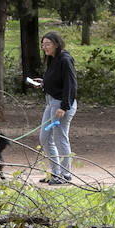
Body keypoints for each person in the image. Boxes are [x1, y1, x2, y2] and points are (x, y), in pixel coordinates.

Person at [34, 30, 77, 185]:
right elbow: (56, 80)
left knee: (60, 138)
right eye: (43, 44)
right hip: (51, 103)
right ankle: (55, 172)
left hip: (62, 105)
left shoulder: (65, 59)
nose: (45, 47)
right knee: (44, 137)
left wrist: (64, 107)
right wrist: (44, 83)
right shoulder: (52, 59)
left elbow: (70, 84)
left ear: (57, 44)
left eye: (48, 44)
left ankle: (65, 175)